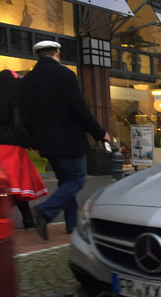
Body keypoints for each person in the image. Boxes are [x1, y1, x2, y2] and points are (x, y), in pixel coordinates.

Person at [19, 40, 111, 240]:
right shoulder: (65, 75)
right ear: (57, 53)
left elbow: (24, 115)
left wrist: (33, 141)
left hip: (45, 143)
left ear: (38, 56)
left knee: (65, 182)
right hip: (68, 140)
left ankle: (71, 223)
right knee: (76, 180)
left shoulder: (27, 80)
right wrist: (100, 133)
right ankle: (45, 211)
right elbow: (80, 109)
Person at [0, 69, 48, 229]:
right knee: (17, 187)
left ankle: (27, 218)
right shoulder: (15, 101)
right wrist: (32, 143)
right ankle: (19, 218)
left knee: (5, 186)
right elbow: (18, 126)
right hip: (13, 149)